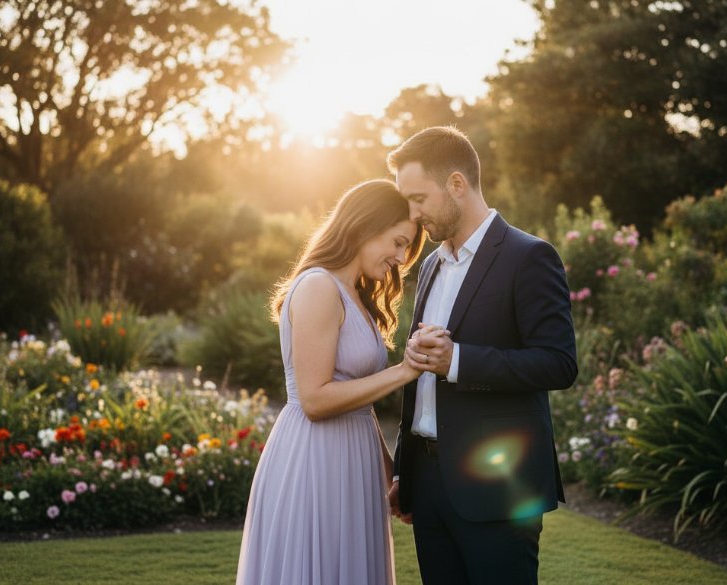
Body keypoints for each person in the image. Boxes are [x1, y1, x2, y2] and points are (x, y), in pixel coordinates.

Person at [386, 126, 578, 584]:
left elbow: (558, 362)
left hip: (498, 487)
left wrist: (457, 361)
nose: (412, 217)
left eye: (418, 199)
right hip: (429, 487)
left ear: (456, 184)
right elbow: (420, 376)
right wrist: (404, 470)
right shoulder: (431, 265)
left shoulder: (529, 256)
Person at [236, 179, 426, 585]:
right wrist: (406, 370)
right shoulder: (320, 286)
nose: (400, 257)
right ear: (363, 227)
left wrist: (390, 474)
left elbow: (361, 403)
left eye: (405, 247)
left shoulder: (355, 294)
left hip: (354, 459)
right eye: (396, 242)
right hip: (314, 461)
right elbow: (315, 400)